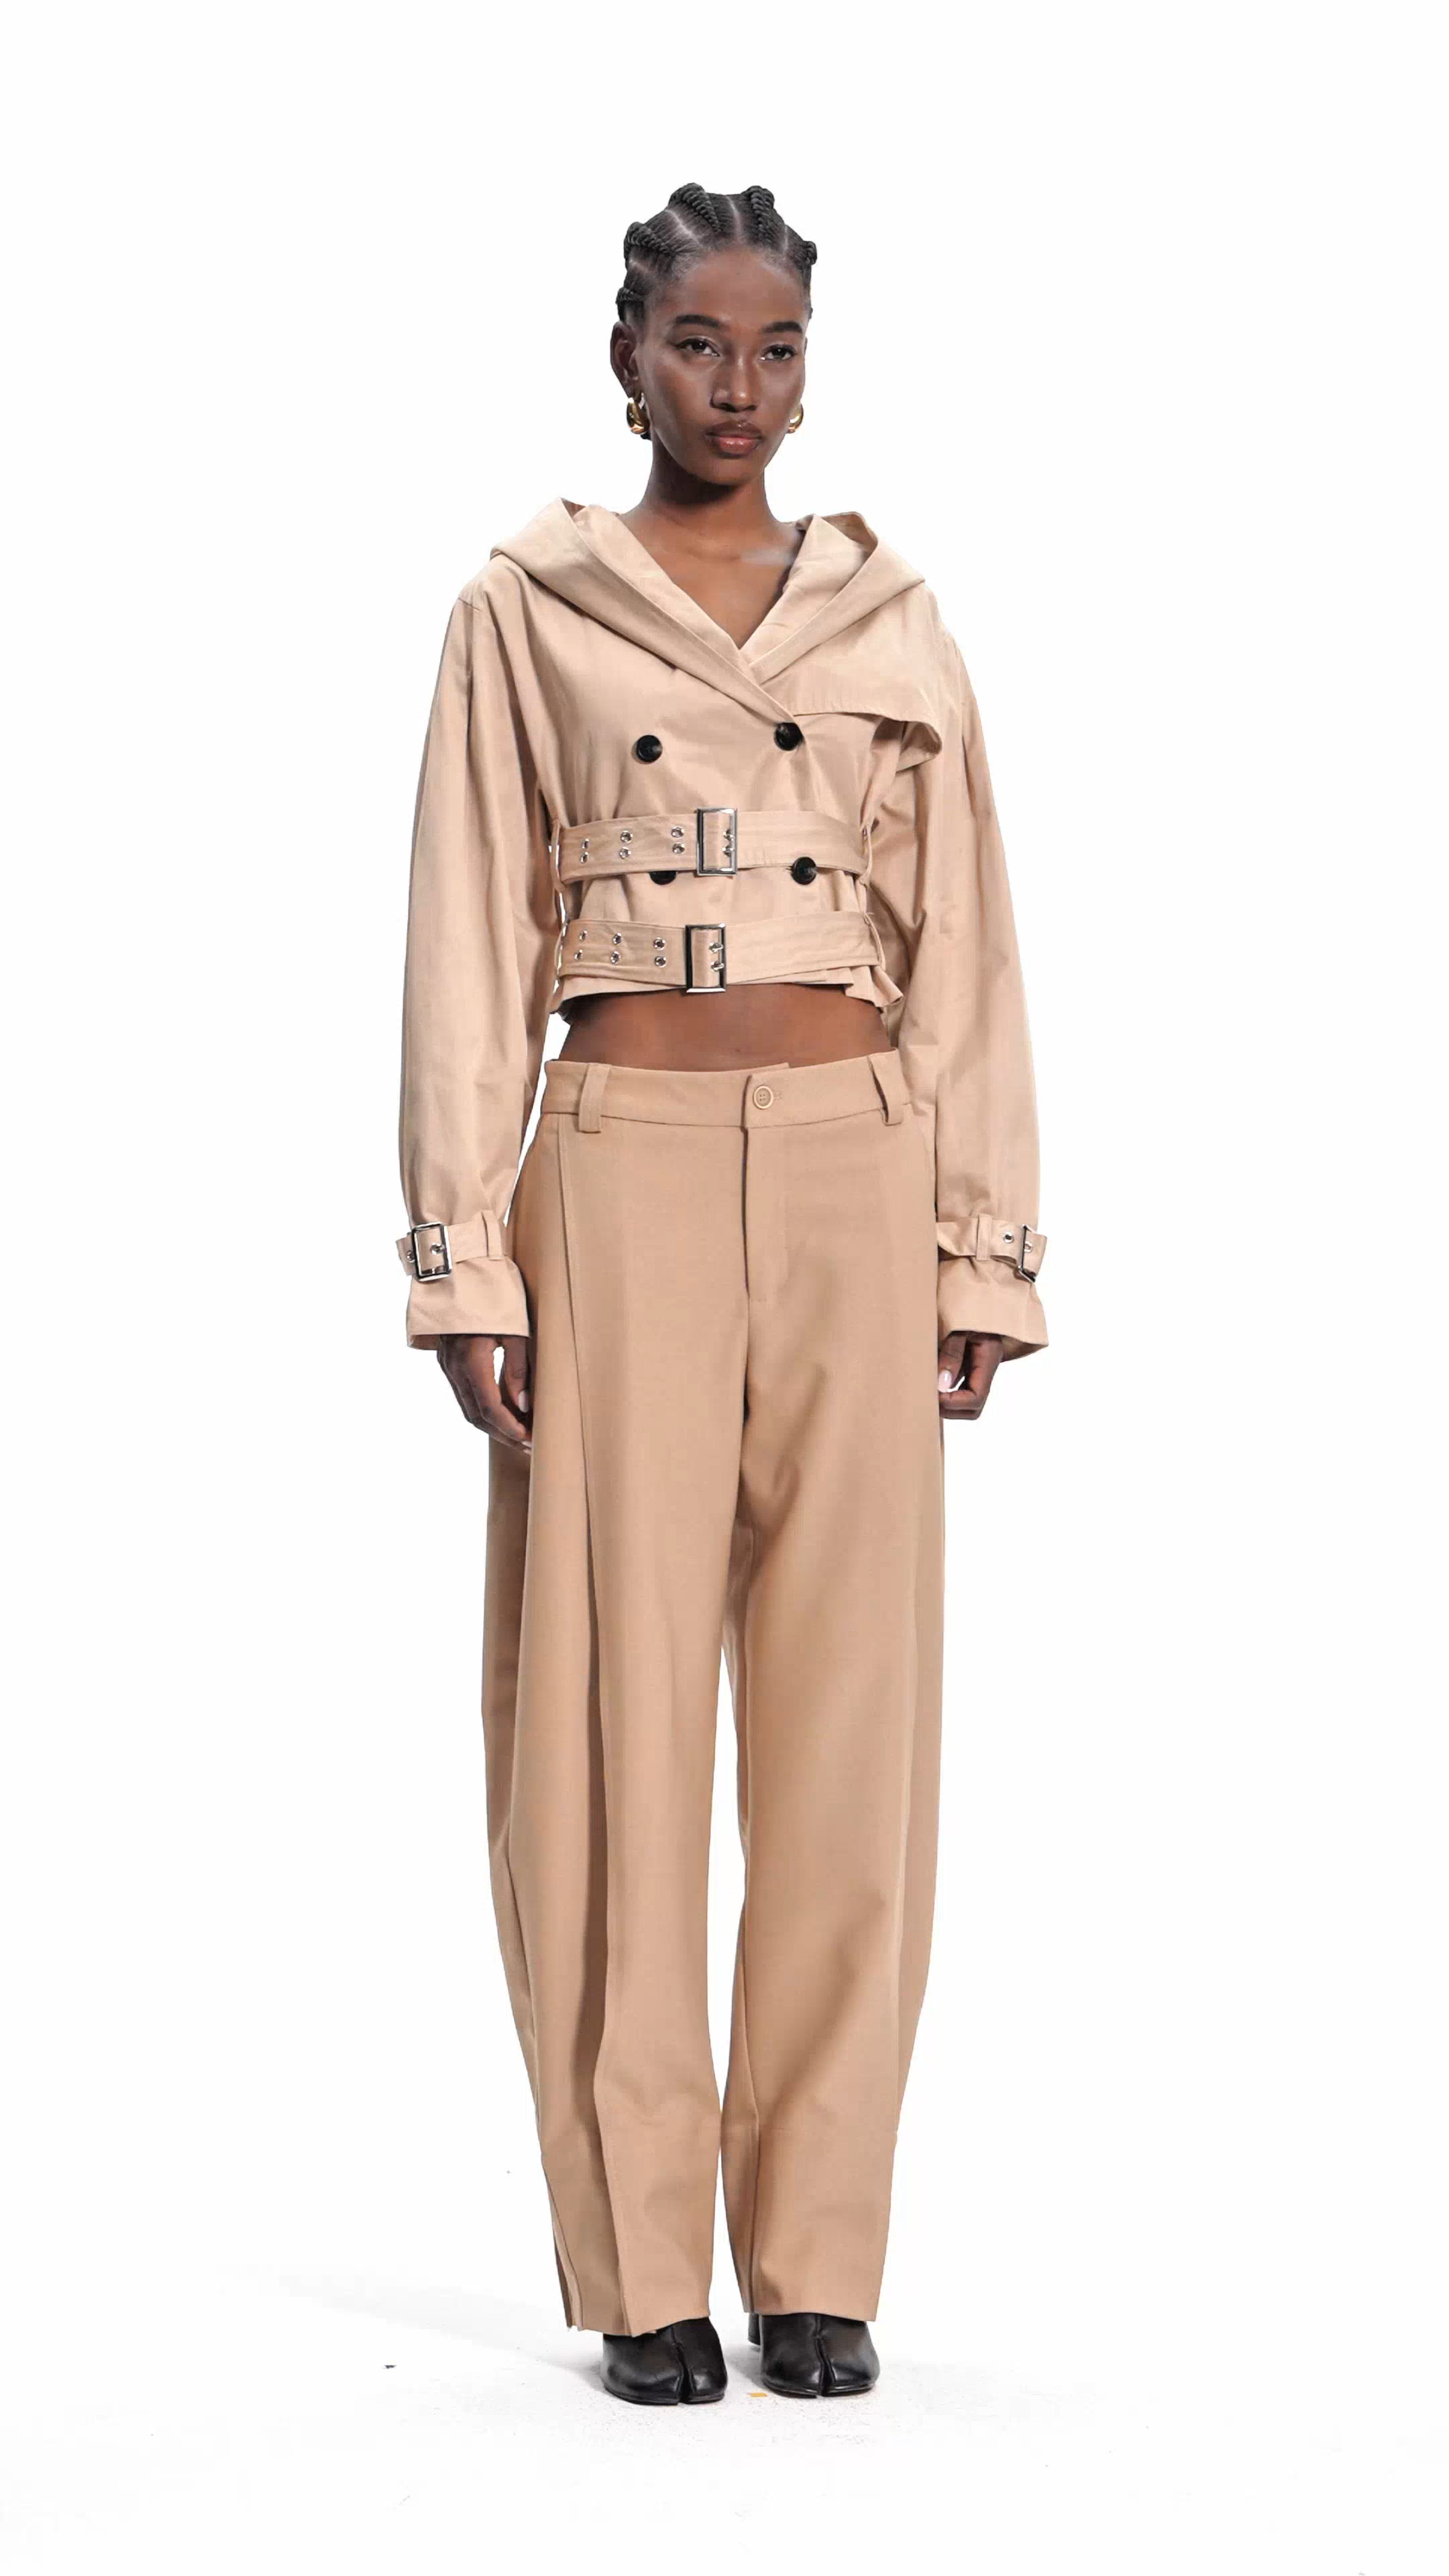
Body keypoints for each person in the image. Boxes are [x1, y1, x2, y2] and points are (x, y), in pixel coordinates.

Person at [396, 181, 1048, 2406]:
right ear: (628, 358)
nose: (738, 388)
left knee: (856, 1734)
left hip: (862, 1157)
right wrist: (459, 1250)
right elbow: (466, 928)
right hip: (623, 1162)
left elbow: (967, 940)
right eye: (698, 344)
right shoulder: (526, 606)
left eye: (775, 350)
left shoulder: (892, 615)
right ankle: (642, 2260)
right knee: (607, 1733)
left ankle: (822, 2252)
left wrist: (983, 1238)